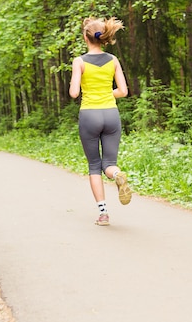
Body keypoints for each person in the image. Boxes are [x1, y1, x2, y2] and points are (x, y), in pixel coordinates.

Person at [69, 16, 132, 226]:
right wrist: (105, 92)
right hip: (111, 114)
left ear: (85, 37)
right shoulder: (113, 60)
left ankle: (104, 214)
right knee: (109, 164)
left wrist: (89, 90)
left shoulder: (79, 62)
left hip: (90, 115)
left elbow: (73, 92)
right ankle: (117, 174)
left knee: (94, 165)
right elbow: (123, 91)